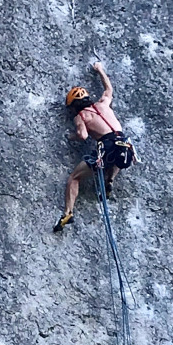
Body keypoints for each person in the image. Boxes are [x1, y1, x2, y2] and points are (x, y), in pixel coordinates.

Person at [54, 62, 136, 232]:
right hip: (125, 144)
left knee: (74, 178)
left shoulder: (81, 116)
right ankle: (110, 180)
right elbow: (109, 89)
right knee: (118, 155)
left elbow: (83, 136)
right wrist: (100, 70)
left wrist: (71, 136)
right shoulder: (103, 104)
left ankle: (68, 212)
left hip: (106, 146)